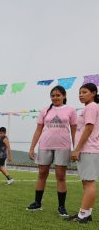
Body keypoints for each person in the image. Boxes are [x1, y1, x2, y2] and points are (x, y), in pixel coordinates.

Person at [26, 86, 77, 215]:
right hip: (45, 145)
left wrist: (76, 149)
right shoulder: (45, 111)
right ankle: (37, 203)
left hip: (63, 146)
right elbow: (38, 130)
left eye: (58, 95)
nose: (55, 97)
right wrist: (32, 147)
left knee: (61, 176)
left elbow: (74, 131)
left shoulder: (70, 110)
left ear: (64, 96)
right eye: (53, 95)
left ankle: (61, 207)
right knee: (42, 174)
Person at [65, 83, 99, 223]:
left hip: (88, 150)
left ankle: (83, 215)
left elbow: (89, 129)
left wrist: (77, 149)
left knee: (89, 183)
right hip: (88, 149)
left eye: (84, 92)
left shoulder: (91, 107)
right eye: (79, 92)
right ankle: (85, 213)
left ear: (94, 93)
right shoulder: (89, 107)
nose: (81, 94)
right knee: (87, 183)